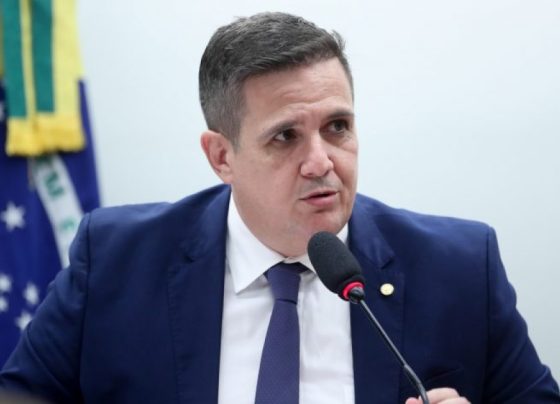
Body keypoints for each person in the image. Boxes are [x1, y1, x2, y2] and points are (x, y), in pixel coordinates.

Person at [1, 11, 559, 404]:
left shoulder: (460, 268)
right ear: (222, 157)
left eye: (337, 127)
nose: (320, 161)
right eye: (286, 136)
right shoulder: (117, 261)